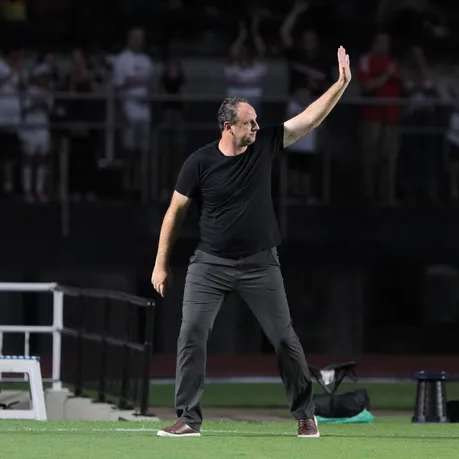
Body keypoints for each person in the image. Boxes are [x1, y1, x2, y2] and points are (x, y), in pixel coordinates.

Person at [151, 46, 352, 438]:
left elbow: (309, 119)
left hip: (260, 263)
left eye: (257, 122)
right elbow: (174, 214)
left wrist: (341, 83)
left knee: (284, 339)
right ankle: (188, 419)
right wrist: (161, 264)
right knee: (191, 333)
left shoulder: (264, 146)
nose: (257, 128)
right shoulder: (199, 163)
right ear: (229, 127)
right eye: (249, 123)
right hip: (210, 264)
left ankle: (305, 414)